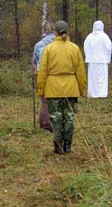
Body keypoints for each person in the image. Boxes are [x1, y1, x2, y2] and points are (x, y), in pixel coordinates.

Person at [37, 20, 86, 155]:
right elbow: (80, 71)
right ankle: (68, 145)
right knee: (69, 117)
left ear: (55, 32)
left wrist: (40, 89)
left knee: (56, 117)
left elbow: (43, 71)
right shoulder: (74, 48)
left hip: (53, 89)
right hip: (71, 88)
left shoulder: (49, 49)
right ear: (67, 30)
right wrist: (81, 89)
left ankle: (58, 146)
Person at [32, 21, 55, 132]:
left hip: (42, 74)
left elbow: (35, 62)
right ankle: (56, 123)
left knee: (45, 100)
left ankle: (45, 124)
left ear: (44, 30)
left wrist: (35, 72)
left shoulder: (39, 45)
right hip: (56, 74)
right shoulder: (59, 43)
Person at [83, 20, 112, 98]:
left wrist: (89, 56)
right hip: (102, 60)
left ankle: (93, 94)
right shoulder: (104, 36)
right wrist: (107, 57)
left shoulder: (89, 37)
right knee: (102, 78)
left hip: (92, 61)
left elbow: (85, 47)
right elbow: (109, 47)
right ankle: (102, 93)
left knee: (93, 79)